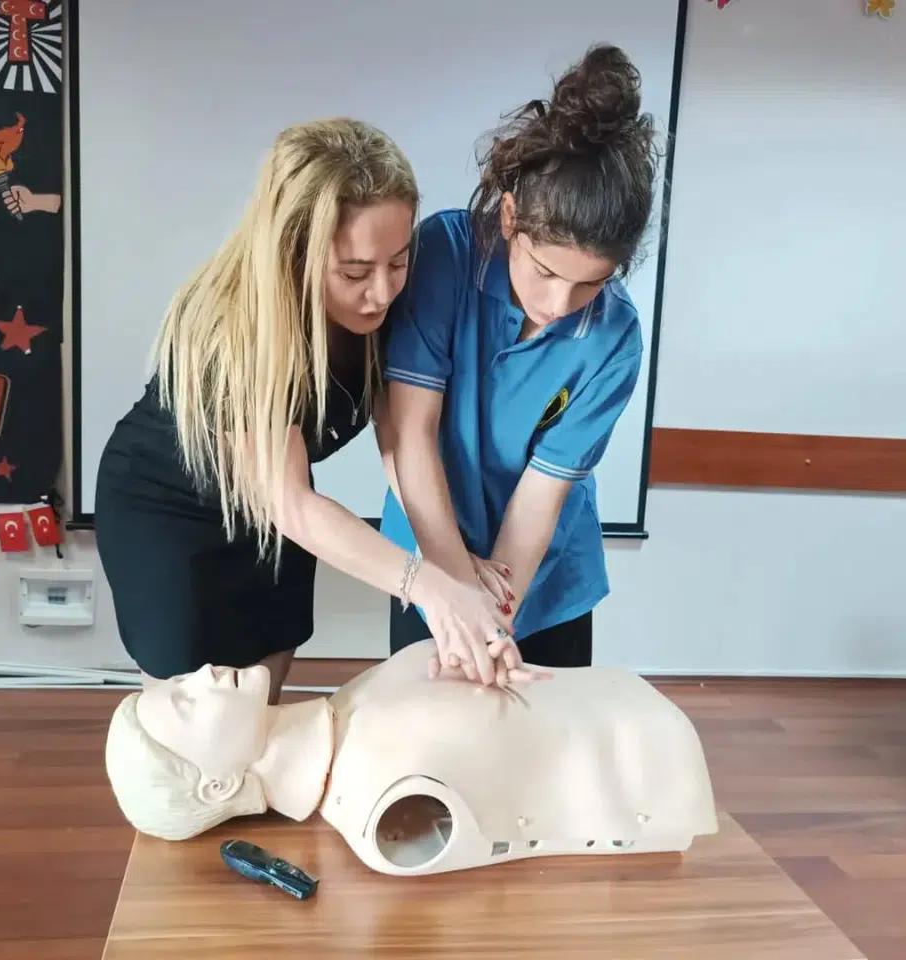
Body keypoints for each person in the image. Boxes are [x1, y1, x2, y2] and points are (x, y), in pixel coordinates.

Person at [94, 119, 519, 704]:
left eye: (398, 262)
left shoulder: (387, 305)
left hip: (271, 519)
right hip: (170, 513)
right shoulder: (228, 330)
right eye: (354, 272)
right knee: (198, 729)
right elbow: (291, 503)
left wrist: (449, 566)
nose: (383, 292)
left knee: (261, 708)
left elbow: (400, 441)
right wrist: (426, 586)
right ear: (293, 251)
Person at [377, 44, 658, 673]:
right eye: (546, 271)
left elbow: (539, 499)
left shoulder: (615, 338)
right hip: (428, 550)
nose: (559, 304)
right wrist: (456, 592)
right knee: (433, 728)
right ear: (509, 217)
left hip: (542, 581)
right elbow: (410, 434)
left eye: (590, 284)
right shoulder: (445, 256)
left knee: (540, 728)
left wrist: (493, 621)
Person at [103, 637, 719, 876]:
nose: (203, 674)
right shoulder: (380, 803)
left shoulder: (352, 704)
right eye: (187, 703)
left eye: (180, 682)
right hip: (648, 757)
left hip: (638, 722)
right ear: (217, 786)